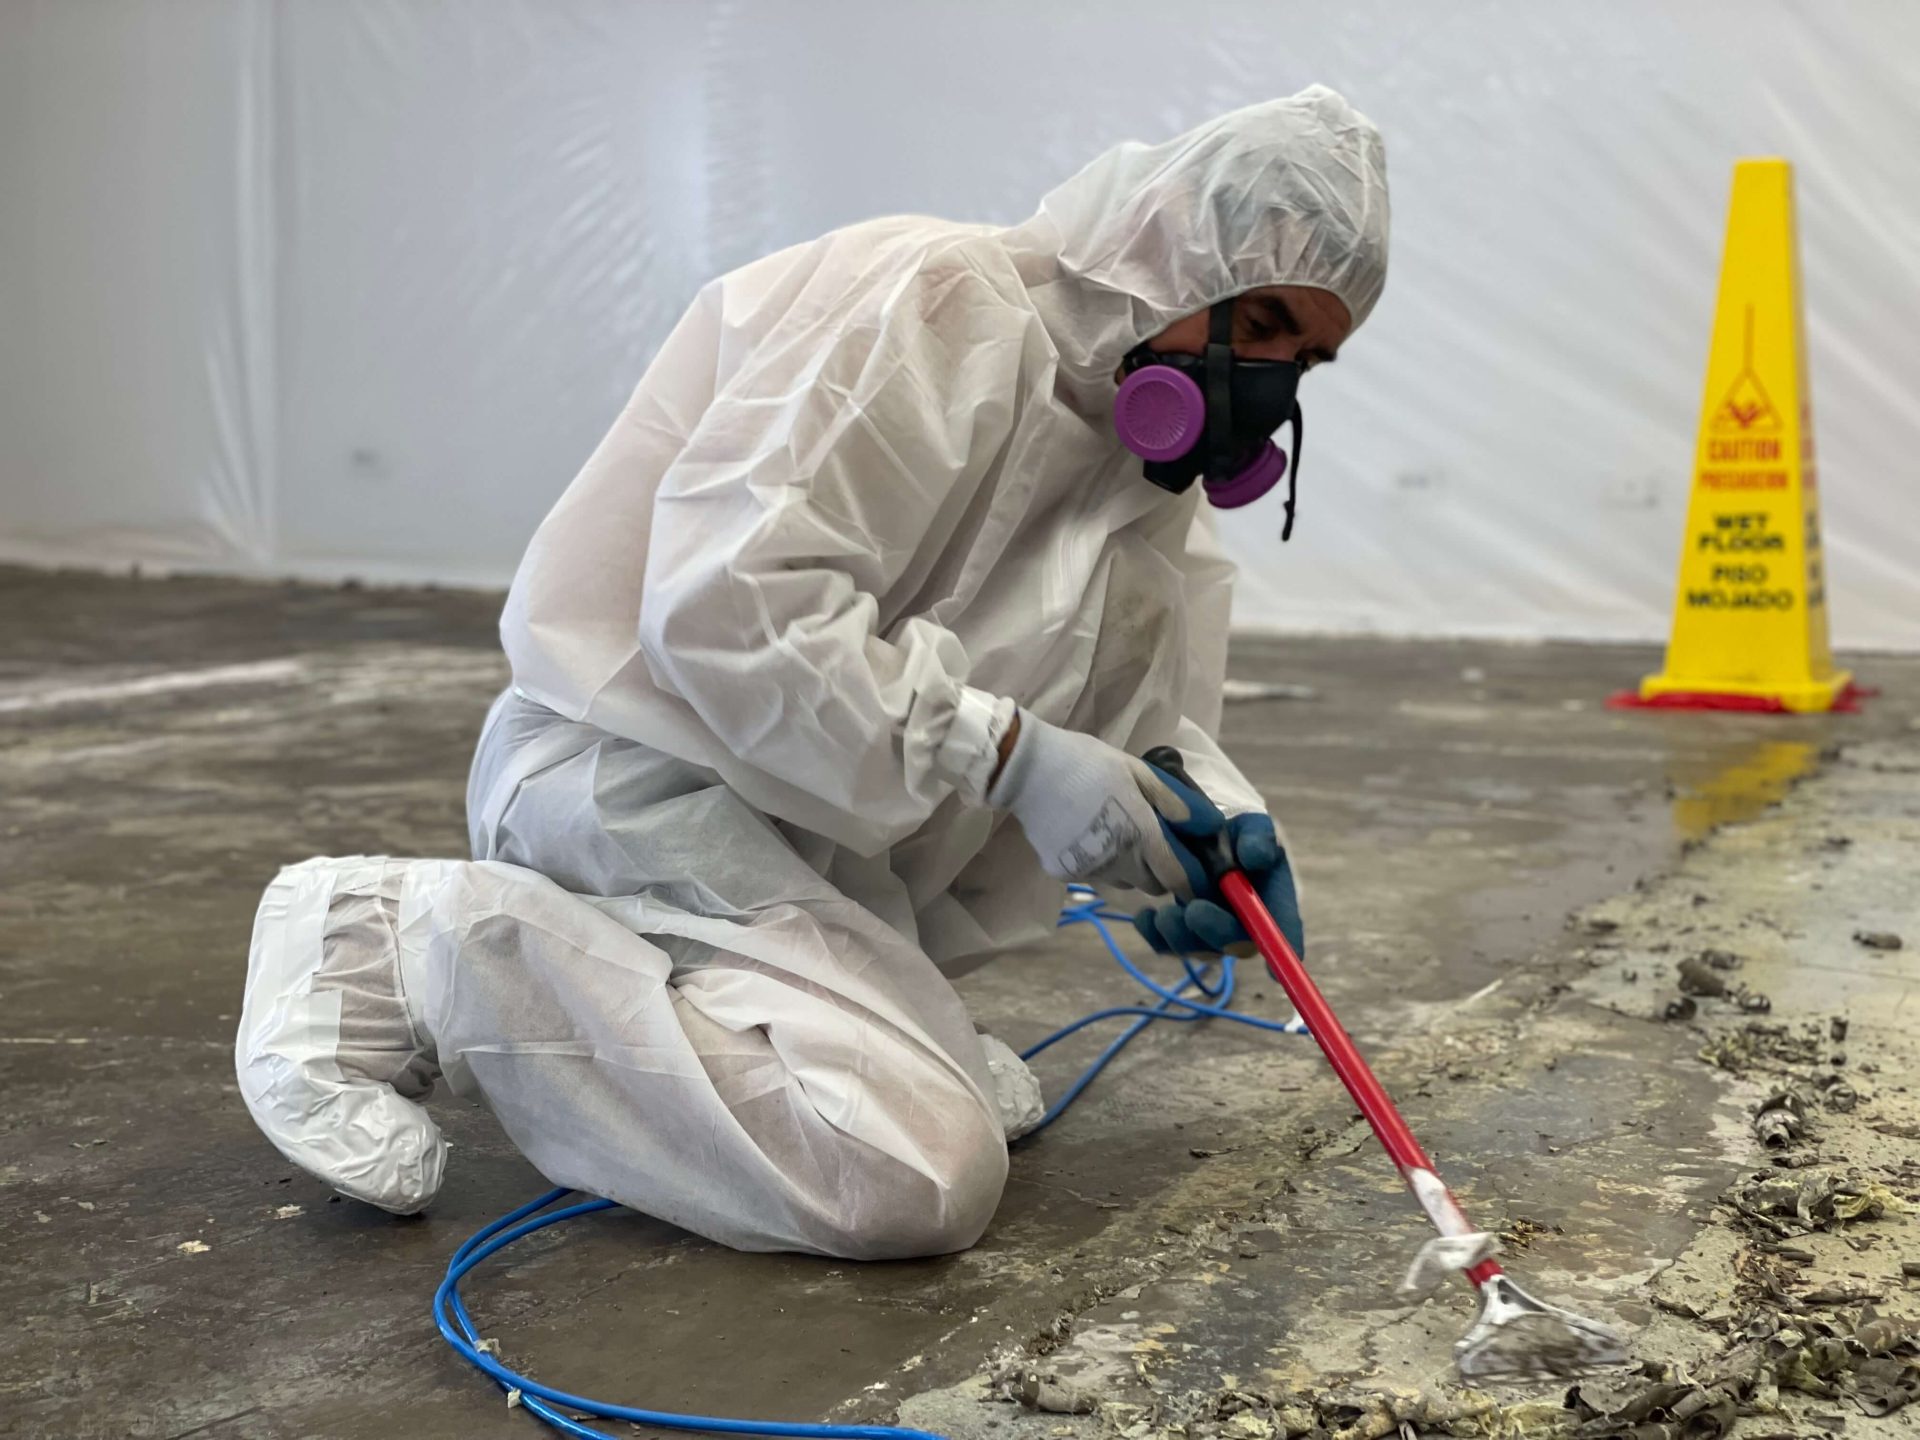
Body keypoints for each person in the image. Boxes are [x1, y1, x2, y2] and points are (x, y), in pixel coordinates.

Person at [235, 85, 1389, 1261]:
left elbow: (1140, 710)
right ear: (1167, 252)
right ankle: (410, 941)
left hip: (821, 851)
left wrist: (1202, 822)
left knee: (930, 1098)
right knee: (910, 1171)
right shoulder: (940, 304)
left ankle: (881, 1018)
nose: (1274, 382)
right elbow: (731, 600)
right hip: (651, 782)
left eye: (1310, 356)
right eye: (1259, 325)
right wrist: (1010, 754)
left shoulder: (1139, 486)